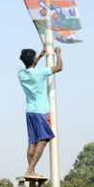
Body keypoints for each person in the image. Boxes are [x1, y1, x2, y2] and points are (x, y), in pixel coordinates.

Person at [18, 46, 63, 179]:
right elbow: (59, 67)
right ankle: (30, 170)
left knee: (32, 142)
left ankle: (31, 171)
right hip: (41, 111)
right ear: (32, 60)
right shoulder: (40, 72)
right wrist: (58, 54)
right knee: (43, 140)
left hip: (30, 112)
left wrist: (39, 56)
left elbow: (30, 67)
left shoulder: (21, 74)